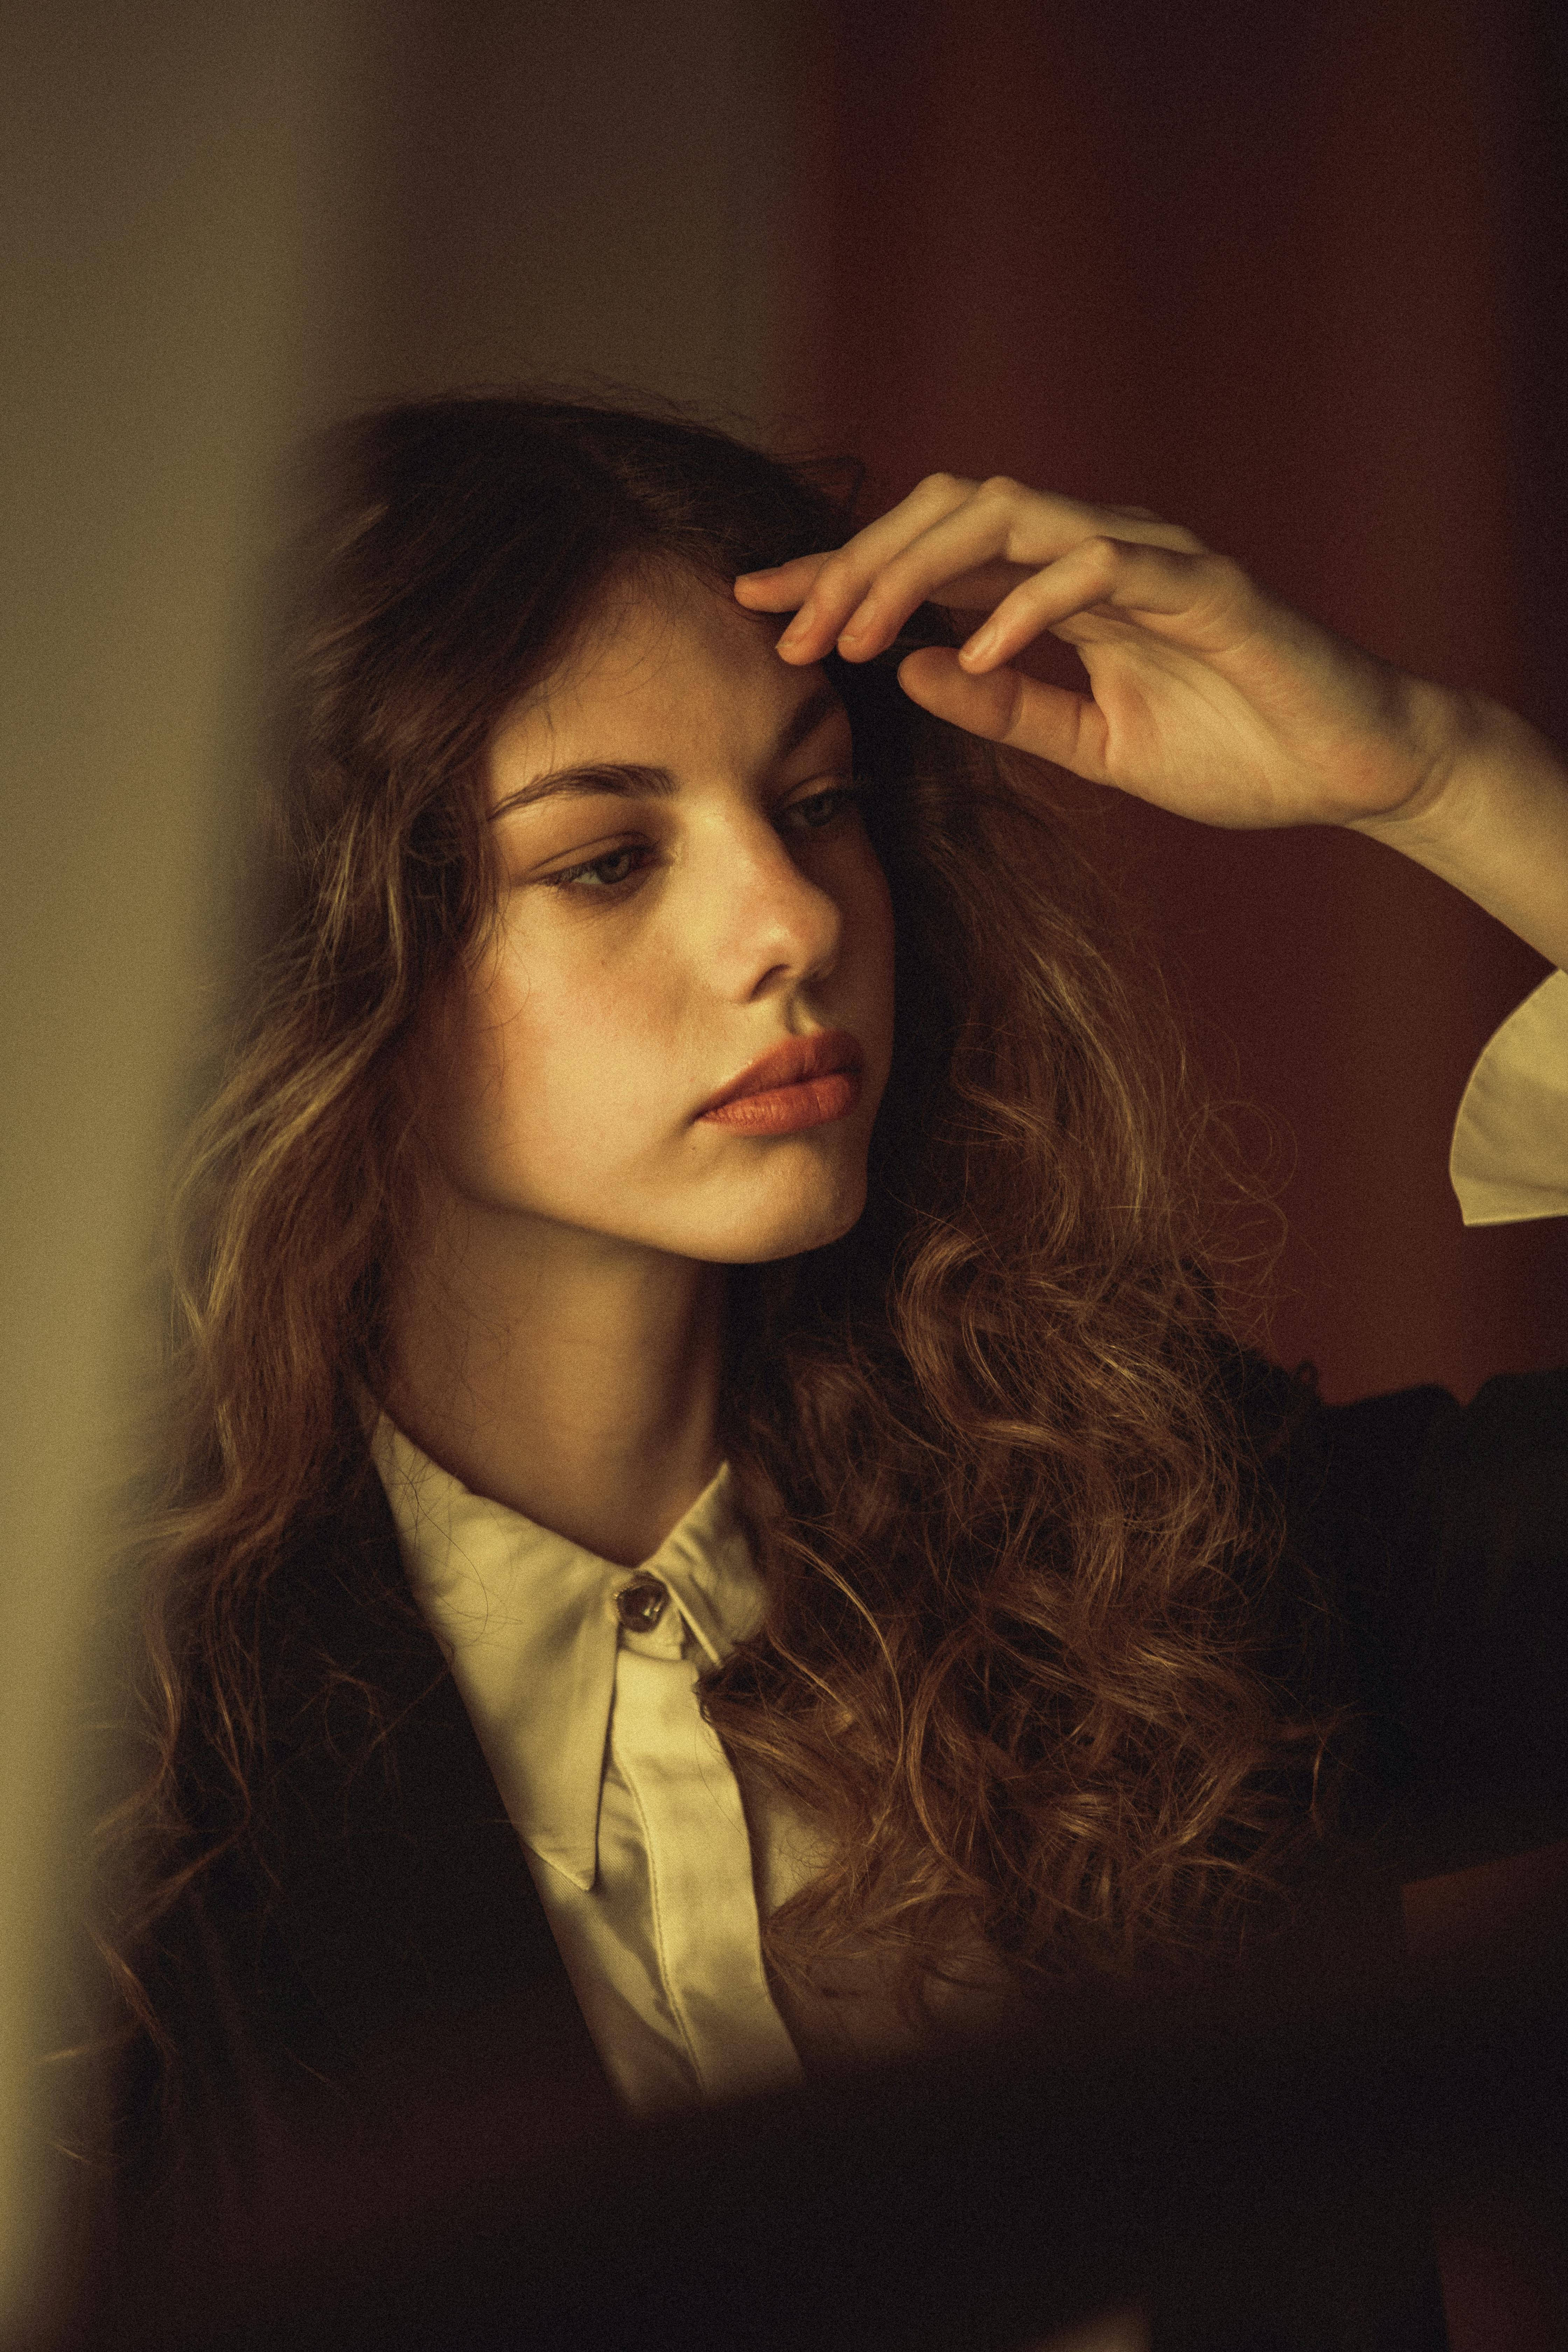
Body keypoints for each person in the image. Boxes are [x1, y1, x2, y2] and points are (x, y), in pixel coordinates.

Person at [78, 396, 1568, 2341]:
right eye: (605, 860)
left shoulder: (1156, 1558)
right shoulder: (113, 1769)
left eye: (816, 803)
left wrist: (1444, 773)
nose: (789, 923)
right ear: (313, 950)